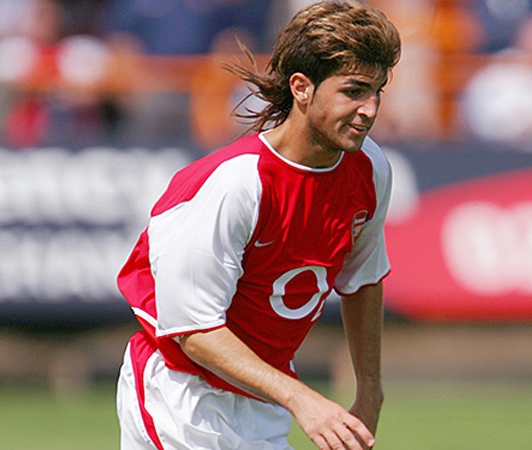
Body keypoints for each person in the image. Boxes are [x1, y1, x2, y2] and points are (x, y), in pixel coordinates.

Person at [115, 1, 401, 449]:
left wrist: (370, 391)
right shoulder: (236, 184)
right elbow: (193, 330)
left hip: (262, 400)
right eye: (354, 91)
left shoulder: (370, 169)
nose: (370, 109)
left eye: (377, 92)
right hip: (181, 398)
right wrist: (302, 398)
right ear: (302, 88)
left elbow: (362, 279)